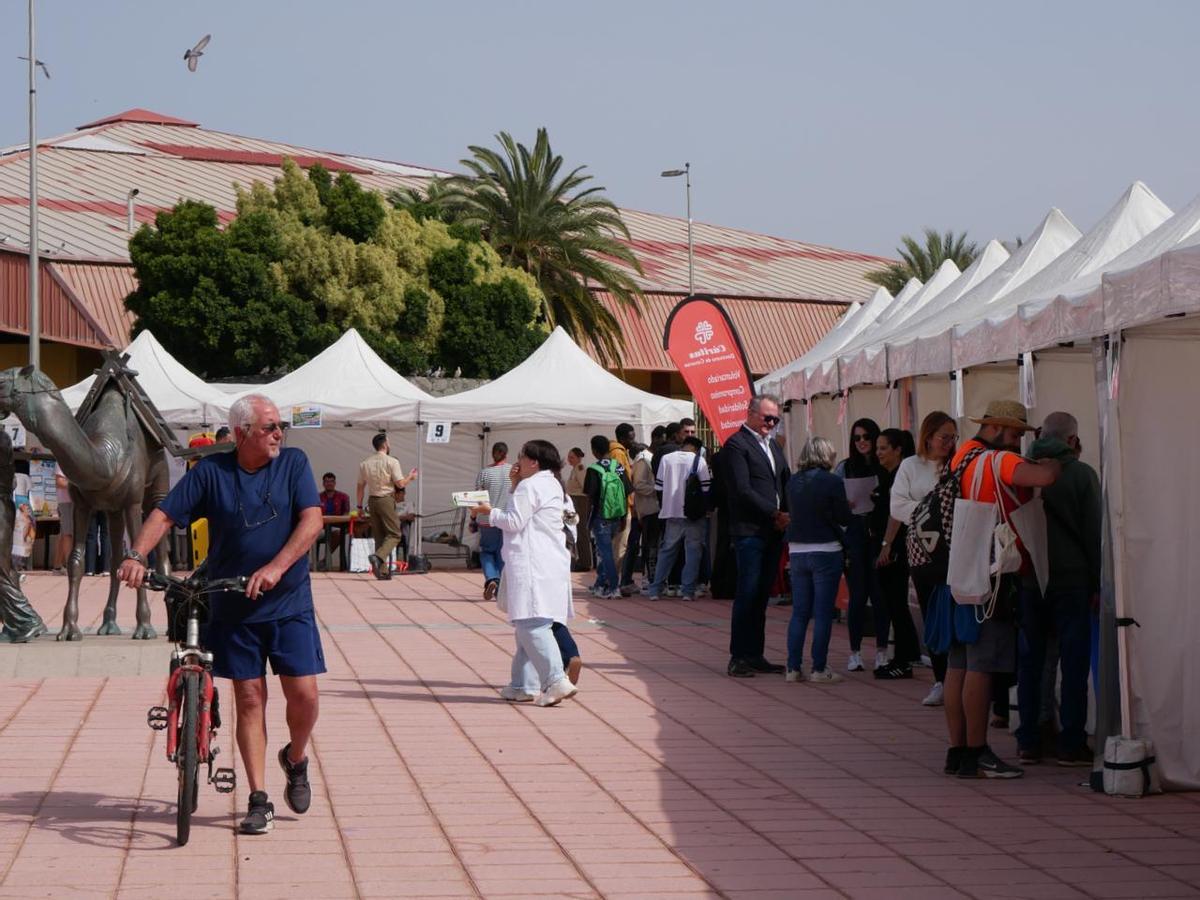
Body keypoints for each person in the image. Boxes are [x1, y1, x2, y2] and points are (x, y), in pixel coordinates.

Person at [116, 393, 325, 835]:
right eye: (269, 427)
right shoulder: (211, 473)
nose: (277, 434)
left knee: (304, 696)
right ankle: (258, 797)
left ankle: (296, 757)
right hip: (232, 601)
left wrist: (275, 568)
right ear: (244, 432)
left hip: (289, 603)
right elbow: (165, 513)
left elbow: (312, 522)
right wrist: (136, 554)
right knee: (250, 698)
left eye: (279, 426)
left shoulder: (294, 464)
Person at [943, 400, 1061, 780]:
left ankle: (958, 750)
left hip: (961, 564)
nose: (1017, 443)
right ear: (994, 428)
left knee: (958, 662)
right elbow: (1043, 479)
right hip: (994, 573)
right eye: (1013, 434)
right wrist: (1054, 459)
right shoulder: (997, 460)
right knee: (982, 665)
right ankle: (979, 752)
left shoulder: (963, 455)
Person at [1018, 412, 1100, 767]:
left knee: (1032, 660)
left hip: (1029, 576)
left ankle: (1030, 739)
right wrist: (1098, 582)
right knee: (1074, 660)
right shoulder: (1081, 474)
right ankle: (1071, 741)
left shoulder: (1021, 470)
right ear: (1072, 440)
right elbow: (1093, 533)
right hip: (1072, 578)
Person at [472, 440, 579, 707]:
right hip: (550, 562)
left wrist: (489, 512)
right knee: (527, 628)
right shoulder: (552, 483)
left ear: (534, 461)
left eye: (521, 456)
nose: (516, 461)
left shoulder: (532, 485)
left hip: (532, 563)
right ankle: (523, 684)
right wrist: (515, 485)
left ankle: (555, 680)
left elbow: (513, 521)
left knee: (532, 625)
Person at [892, 411, 958, 705]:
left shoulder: (957, 465)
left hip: (956, 550)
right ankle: (941, 679)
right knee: (933, 613)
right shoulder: (910, 466)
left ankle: (958, 678)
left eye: (953, 437)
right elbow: (897, 505)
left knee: (956, 614)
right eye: (944, 436)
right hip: (923, 553)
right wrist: (929, 514)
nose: (948, 442)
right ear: (928, 436)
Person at [723, 395, 790, 678]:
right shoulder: (737, 445)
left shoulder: (773, 445)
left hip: (773, 531)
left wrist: (787, 511)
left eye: (775, 419)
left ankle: (755, 653)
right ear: (750, 414)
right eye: (766, 418)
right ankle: (738, 656)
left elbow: (784, 481)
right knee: (747, 593)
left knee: (762, 593)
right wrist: (774, 513)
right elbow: (742, 489)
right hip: (750, 530)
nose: (770, 424)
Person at [784, 437, 852, 684]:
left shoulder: (792, 481)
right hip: (826, 549)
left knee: (799, 612)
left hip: (797, 550)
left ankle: (792, 667)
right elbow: (843, 515)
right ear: (826, 456)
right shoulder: (833, 481)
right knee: (822, 613)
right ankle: (819, 668)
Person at [837, 418, 888, 672]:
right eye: (857, 438)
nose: (862, 442)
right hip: (855, 533)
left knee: (880, 595)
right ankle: (855, 652)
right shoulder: (845, 468)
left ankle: (881, 651)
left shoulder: (883, 467)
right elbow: (834, 502)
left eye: (867, 437)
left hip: (878, 534)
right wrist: (844, 507)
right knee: (857, 596)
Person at [871, 428, 921, 680]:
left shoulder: (901, 476)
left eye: (883, 448)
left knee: (897, 604)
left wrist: (887, 545)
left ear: (898, 449)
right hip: (889, 546)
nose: (877, 452)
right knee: (893, 605)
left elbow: (896, 515)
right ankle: (906, 655)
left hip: (896, 548)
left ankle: (904, 660)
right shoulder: (886, 475)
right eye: (877, 447)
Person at [645, 436, 711, 601]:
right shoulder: (699, 461)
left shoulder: (666, 459)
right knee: (693, 553)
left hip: (671, 512)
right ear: (696, 448)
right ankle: (687, 591)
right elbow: (706, 488)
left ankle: (655, 590)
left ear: (683, 445)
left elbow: (658, 486)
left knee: (667, 551)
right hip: (693, 514)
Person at [356, 433, 417, 580]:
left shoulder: (365, 463)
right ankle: (378, 557)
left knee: (379, 536)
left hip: (372, 501)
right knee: (395, 534)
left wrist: (358, 507)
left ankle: (381, 571)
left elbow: (360, 487)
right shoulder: (391, 461)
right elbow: (400, 484)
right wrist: (411, 477)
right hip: (386, 499)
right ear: (384, 445)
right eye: (388, 442)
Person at [584, 434, 631, 599]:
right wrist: (624, 517)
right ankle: (599, 585)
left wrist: (587, 519)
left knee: (606, 554)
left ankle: (613, 587)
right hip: (617, 515)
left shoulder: (593, 469)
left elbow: (590, 497)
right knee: (608, 552)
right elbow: (626, 493)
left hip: (600, 516)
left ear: (594, 450)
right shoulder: (618, 467)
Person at [474, 442, 512, 601]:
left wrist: (472, 518)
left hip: (486, 519)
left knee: (487, 552)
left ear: (493, 454)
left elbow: (476, 499)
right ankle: (501, 587)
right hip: (505, 518)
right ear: (506, 454)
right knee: (503, 554)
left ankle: (491, 578)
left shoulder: (484, 473)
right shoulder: (513, 471)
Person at [623, 440, 660, 595]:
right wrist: (658, 489)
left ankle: (643, 579)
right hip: (647, 509)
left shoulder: (642, 459)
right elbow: (638, 485)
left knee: (646, 545)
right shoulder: (644, 459)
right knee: (647, 546)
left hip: (643, 508)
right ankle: (646, 579)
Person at [610, 424, 637, 587]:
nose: (633, 442)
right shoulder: (618, 454)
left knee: (617, 546)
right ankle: (611, 583)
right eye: (630, 438)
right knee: (620, 547)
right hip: (622, 506)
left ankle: (607, 580)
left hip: (621, 506)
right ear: (622, 438)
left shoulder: (619, 452)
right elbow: (620, 482)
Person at [51, 464, 73, 573]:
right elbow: (59, 482)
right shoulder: (61, 461)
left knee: (65, 533)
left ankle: (58, 566)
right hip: (66, 501)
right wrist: (76, 486)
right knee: (68, 534)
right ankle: (71, 566)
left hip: (76, 502)